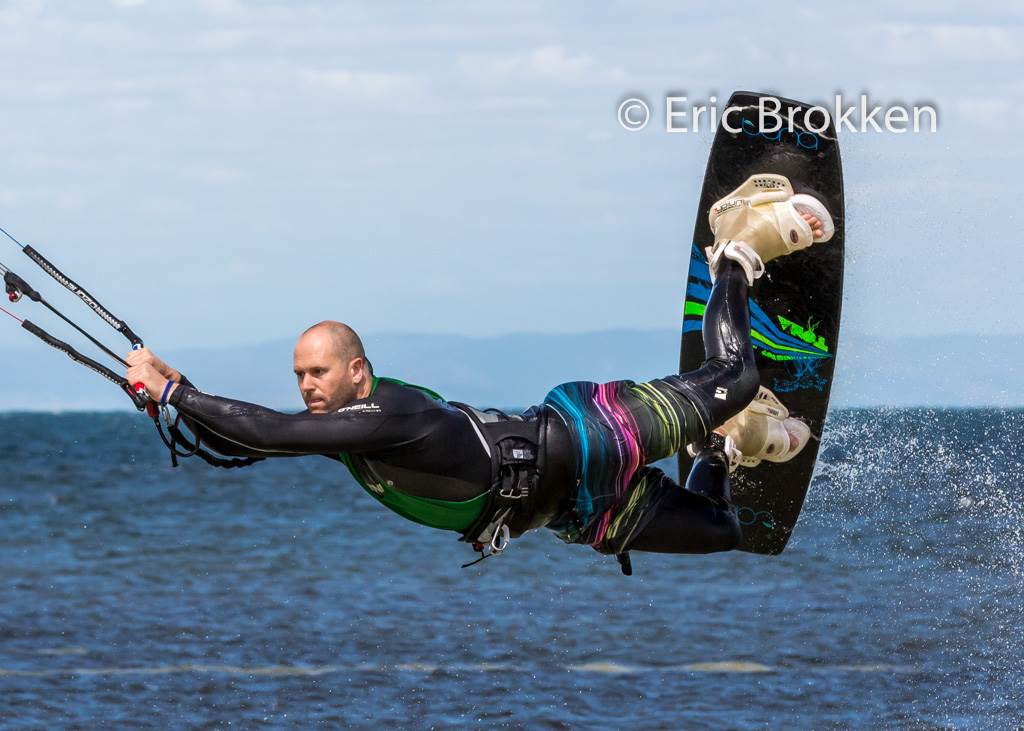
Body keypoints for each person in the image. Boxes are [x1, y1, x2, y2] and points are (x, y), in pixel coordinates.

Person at [127, 173, 833, 570]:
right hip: (572, 510)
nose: (307, 387)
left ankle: (737, 245)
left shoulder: (388, 415)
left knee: (736, 373)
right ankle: (725, 441)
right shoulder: (346, 437)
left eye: (318, 372)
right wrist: (177, 398)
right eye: (298, 376)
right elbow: (248, 439)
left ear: (358, 372)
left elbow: (271, 432)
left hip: (587, 434)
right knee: (721, 529)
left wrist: (176, 391)